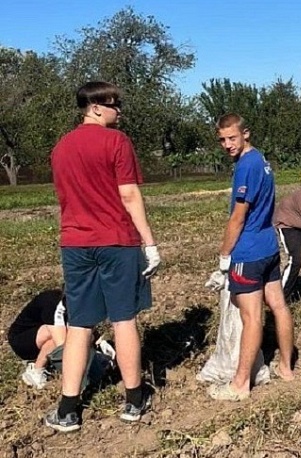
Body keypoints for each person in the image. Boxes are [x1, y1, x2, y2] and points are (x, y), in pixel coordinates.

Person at [47, 81, 160, 433]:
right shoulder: (117, 142)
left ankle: (67, 409)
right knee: (123, 319)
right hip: (116, 241)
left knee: (80, 324)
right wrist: (150, 243)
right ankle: (133, 399)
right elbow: (128, 196)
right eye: (114, 104)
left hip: (75, 244)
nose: (119, 110)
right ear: (95, 107)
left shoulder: (60, 148)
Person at [208, 113, 295, 400]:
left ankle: (240, 384)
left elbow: (238, 218)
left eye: (232, 138)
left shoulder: (246, 166)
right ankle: (286, 367)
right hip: (269, 247)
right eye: (222, 139)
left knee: (252, 317)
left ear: (246, 134)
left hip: (249, 252)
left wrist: (224, 255)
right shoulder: (262, 161)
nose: (227, 144)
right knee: (279, 306)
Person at [8, 289, 67, 389]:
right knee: (60, 334)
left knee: (69, 332)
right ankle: (36, 370)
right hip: (21, 339)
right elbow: (61, 342)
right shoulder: (52, 302)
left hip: (41, 334)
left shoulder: (74, 305)